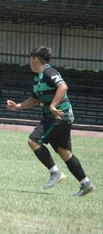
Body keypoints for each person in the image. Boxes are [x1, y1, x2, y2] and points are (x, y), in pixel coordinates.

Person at [7, 46, 96, 197]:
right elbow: (35, 99)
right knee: (64, 152)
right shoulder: (38, 78)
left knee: (33, 141)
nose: (30, 63)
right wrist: (18, 106)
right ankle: (86, 183)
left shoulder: (49, 72)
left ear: (35, 59)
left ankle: (55, 173)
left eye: (31, 59)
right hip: (56, 117)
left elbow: (63, 86)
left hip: (58, 116)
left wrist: (54, 105)